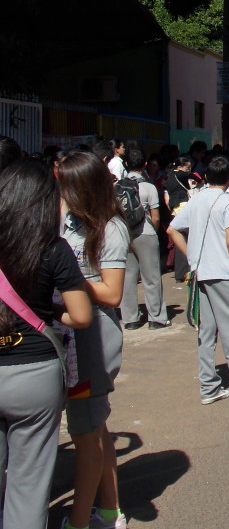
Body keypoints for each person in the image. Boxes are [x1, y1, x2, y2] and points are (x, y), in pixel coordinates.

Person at [0, 158, 93, 529]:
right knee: (29, 484)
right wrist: (50, 314)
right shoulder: (53, 248)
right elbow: (81, 315)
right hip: (34, 374)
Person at [58, 152, 131, 529]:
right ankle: (109, 509)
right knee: (95, 427)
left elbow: (113, 292)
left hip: (94, 339)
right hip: (73, 335)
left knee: (86, 430)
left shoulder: (111, 228)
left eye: (66, 186)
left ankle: (81, 519)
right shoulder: (71, 220)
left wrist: (63, 278)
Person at [167, 156, 229, 407]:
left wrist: (191, 255)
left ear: (206, 176)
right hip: (223, 272)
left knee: (206, 332)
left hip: (200, 272)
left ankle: (209, 386)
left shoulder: (196, 199)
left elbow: (172, 229)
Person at [120, 148, 169, 330]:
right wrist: (153, 231)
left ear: (126, 165)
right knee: (152, 277)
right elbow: (155, 216)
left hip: (125, 235)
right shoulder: (149, 187)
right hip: (146, 233)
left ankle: (130, 319)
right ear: (145, 165)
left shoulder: (117, 187)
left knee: (127, 276)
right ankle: (156, 318)